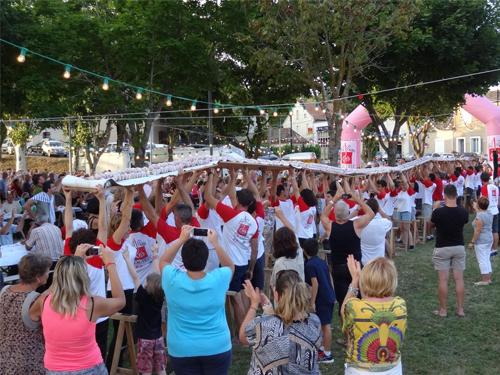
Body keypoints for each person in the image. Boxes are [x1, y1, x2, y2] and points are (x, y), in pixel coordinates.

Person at [29, 245, 126, 375]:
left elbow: (48, 293)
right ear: (84, 277)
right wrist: (110, 264)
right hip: (90, 368)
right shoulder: (92, 304)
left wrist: (74, 261)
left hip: (54, 369)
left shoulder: (44, 301)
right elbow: (120, 300)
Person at [160, 226, 234, 375]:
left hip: (182, 348)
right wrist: (216, 244)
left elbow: (164, 260)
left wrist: (181, 239)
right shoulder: (218, 278)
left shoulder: (172, 278)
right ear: (206, 259)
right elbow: (229, 265)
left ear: (183, 260)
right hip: (217, 346)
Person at [240, 270, 322, 375]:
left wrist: (254, 304)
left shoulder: (262, 326)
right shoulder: (314, 322)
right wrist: (271, 314)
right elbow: (288, 331)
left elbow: (243, 336)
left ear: (277, 295)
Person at [342, 255, 407, 375]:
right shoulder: (401, 305)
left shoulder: (354, 307)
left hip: (359, 371)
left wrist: (355, 280)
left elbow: (344, 310)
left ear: (365, 280)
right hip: (393, 369)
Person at [321, 187, 374, 317]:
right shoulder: (356, 224)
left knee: (343, 302)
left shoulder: (330, 226)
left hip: (338, 268)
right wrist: (357, 200)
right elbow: (371, 213)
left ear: (336, 214)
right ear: (348, 212)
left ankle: (346, 336)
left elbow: (323, 216)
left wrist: (333, 200)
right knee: (361, 300)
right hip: (355, 267)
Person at [0, 253, 53, 374]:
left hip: (3, 360)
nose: (48, 274)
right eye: (47, 272)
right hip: (29, 364)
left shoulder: (4, 291)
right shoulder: (37, 301)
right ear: (38, 277)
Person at [122, 244, 167, 375]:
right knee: (160, 367)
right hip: (158, 339)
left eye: (146, 281)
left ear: (148, 285)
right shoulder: (159, 297)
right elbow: (156, 275)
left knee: (146, 369)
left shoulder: (142, 296)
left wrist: (127, 259)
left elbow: (135, 277)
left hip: (145, 340)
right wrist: (155, 254)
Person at [429, 184, 469, 317]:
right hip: (458, 246)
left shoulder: (439, 212)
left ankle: (443, 310)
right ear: (456, 196)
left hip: (442, 247)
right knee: (459, 279)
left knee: (443, 280)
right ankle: (460, 310)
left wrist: (434, 210)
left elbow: (430, 225)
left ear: (444, 196)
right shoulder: (464, 212)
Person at [303, 238, 335, 363]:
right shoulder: (322, 261)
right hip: (329, 296)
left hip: (322, 298)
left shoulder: (309, 265)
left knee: (326, 324)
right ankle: (322, 348)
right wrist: (333, 292)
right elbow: (330, 276)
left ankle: (328, 354)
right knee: (323, 323)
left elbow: (314, 284)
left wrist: (312, 302)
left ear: (304, 251)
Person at [468, 197, 493, 285]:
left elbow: (478, 230)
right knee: (486, 258)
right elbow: (481, 215)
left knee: (482, 260)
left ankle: (484, 280)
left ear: (479, 205)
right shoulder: (490, 213)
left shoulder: (480, 216)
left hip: (482, 240)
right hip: (489, 238)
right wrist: (476, 208)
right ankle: (488, 278)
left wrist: (472, 242)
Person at [360, 199, 393, 265]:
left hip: (364, 262)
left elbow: (346, 220)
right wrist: (380, 210)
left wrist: (357, 209)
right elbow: (389, 220)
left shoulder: (359, 222)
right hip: (379, 261)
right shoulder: (383, 222)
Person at [479, 171, 499, 257]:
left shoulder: (484, 188)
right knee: (495, 230)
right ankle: (494, 249)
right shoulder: (495, 187)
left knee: (488, 230)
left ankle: (490, 247)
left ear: (481, 179)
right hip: (495, 209)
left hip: (488, 211)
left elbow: (484, 200)